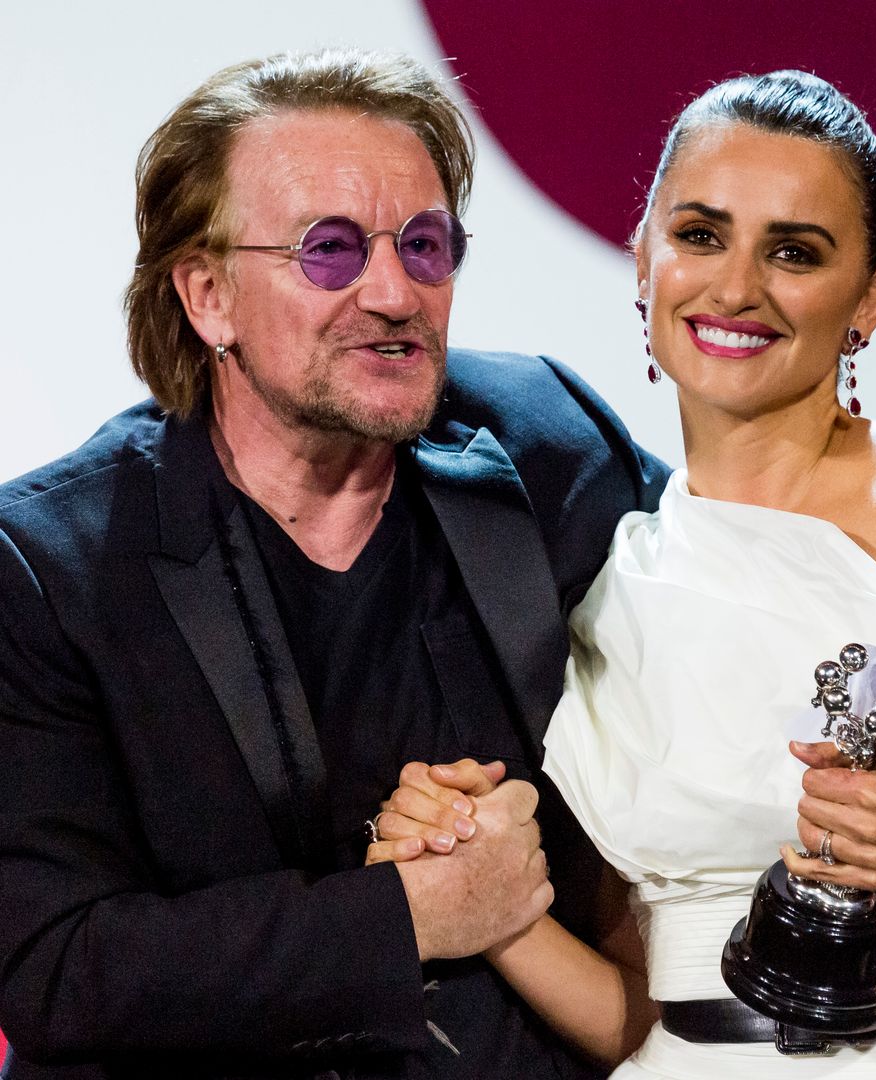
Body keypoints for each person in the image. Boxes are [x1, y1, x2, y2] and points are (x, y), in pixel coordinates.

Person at [372, 71, 876, 1078]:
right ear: (643, 260)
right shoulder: (613, 593)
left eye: (794, 251)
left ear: (872, 295)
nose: (736, 286)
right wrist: (490, 904)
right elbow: (655, 1021)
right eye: (700, 235)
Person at [0, 48, 670, 1080]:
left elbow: (752, 581)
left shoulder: (549, 442)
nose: (396, 292)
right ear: (208, 294)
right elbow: (58, 969)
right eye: (330, 251)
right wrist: (412, 914)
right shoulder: (49, 564)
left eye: (427, 245)